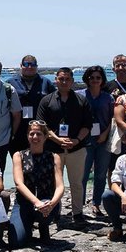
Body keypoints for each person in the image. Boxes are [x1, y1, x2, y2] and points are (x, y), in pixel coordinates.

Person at [37, 67, 93, 224]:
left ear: (72, 81)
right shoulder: (46, 100)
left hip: (77, 149)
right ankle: (55, 211)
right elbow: (42, 126)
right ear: (56, 80)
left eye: (67, 79)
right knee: (54, 183)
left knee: (77, 183)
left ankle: (78, 213)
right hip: (53, 150)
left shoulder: (81, 101)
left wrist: (76, 140)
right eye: (61, 79)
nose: (64, 82)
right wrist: (57, 140)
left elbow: (87, 125)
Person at [9, 120, 64, 249]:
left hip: (47, 201)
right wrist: (36, 202)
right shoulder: (19, 155)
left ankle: (43, 227)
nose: (35, 137)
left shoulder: (54, 156)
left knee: (44, 211)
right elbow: (19, 183)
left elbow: (60, 186)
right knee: (16, 242)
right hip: (24, 202)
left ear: (45, 137)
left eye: (39, 134)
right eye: (32, 134)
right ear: (27, 136)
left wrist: (52, 203)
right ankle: (27, 228)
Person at [79, 66, 113, 218]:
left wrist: (105, 134)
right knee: (83, 175)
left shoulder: (108, 98)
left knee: (100, 174)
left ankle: (96, 204)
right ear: (87, 79)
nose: (95, 80)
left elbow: (113, 119)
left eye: (98, 78)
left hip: (103, 140)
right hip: (85, 141)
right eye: (92, 77)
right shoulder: (79, 95)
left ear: (102, 80)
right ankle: (78, 205)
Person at [8, 54, 55, 154]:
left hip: (39, 131)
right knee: (19, 162)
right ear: (21, 65)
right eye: (26, 64)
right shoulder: (10, 83)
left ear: (37, 67)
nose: (29, 67)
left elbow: (55, 102)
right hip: (18, 131)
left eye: (33, 65)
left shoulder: (45, 82)